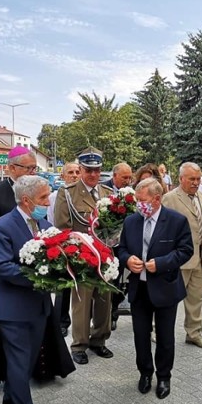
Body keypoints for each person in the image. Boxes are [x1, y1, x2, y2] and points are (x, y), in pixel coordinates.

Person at [0, 148, 74, 391]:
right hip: (8, 269)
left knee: (39, 323)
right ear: (12, 169)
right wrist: (14, 244)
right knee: (10, 331)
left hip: (36, 272)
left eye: (34, 168)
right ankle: (11, 381)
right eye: (28, 168)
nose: (32, 171)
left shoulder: (40, 196)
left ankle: (40, 370)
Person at [0, 175, 56, 404]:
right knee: (19, 362)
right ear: (26, 200)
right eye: (43, 198)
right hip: (14, 308)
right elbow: (1, 266)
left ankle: (11, 397)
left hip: (38, 306)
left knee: (26, 362)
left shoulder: (45, 224)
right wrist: (39, 276)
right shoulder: (2, 226)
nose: (47, 202)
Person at [118, 178, 193, 399]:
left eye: (142, 200)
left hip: (165, 288)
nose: (139, 205)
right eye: (137, 200)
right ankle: (145, 373)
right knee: (140, 335)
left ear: (157, 199)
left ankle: (163, 377)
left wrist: (161, 264)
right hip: (139, 289)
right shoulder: (132, 221)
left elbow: (185, 250)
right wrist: (127, 259)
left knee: (165, 337)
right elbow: (121, 249)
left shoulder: (176, 221)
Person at [54, 147, 114, 365]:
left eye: (97, 170)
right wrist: (77, 251)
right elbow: (62, 228)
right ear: (80, 169)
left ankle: (99, 340)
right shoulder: (67, 193)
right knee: (81, 302)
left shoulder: (108, 194)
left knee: (104, 300)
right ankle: (79, 345)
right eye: (88, 170)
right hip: (81, 257)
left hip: (105, 256)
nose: (93, 174)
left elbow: (114, 226)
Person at [163, 162, 202, 349]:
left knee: (196, 300)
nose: (196, 182)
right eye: (191, 179)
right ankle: (157, 329)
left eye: (198, 179)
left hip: (200, 258)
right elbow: (162, 228)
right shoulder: (169, 199)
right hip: (179, 260)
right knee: (169, 299)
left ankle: (194, 333)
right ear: (181, 179)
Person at [47, 162, 80, 337]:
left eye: (77, 172)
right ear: (62, 176)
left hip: (83, 246)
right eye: (70, 172)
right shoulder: (55, 197)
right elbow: (53, 222)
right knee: (63, 287)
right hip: (62, 245)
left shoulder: (83, 195)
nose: (74, 175)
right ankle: (61, 321)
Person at [101, 162, 133, 330]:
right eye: (124, 177)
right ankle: (101, 316)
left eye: (130, 177)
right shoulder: (102, 189)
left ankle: (113, 313)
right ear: (114, 176)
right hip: (104, 244)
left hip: (123, 245)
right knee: (106, 281)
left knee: (118, 281)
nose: (128, 181)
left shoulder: (132, 193)